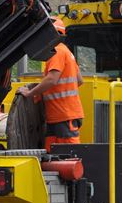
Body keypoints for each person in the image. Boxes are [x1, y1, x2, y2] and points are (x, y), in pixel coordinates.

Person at [18, 17, 84, 151]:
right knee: (53, 156)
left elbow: (52, 79)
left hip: (63, 116)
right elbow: (79, 80)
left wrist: (30, 93)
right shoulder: (66, 51)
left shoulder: (56, 52)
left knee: (69, 156)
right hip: (60, 115)